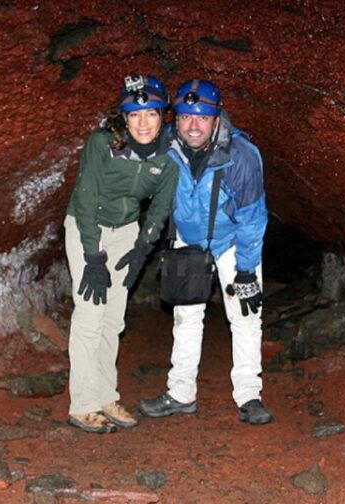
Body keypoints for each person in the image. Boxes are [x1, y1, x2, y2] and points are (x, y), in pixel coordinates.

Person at [139, 79, 273, 425]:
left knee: (245, 317)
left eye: (202, 118)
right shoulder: (166, 144)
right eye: (185, 117)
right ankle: (181, 393)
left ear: (216, 119)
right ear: (175, 119)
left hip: (231, 243)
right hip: (189, 240)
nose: (193, 126)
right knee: (186, 319)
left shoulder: (240, 156)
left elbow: (252, 218)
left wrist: (246, 270)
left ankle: (249, 396)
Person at [64, 75, 179, 433]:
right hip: (88, 226)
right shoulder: (103, 143)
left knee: (114, 318)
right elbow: (85, 199)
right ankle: (82, 404)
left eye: (151, 114)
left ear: (163, 116)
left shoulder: (169, 155)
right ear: (124, 118)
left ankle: (105, 395)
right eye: (134, 115)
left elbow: (161, 205)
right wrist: (92, 256)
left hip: (127, 231)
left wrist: (144, 244)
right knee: (89, 313)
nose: (143, 123)